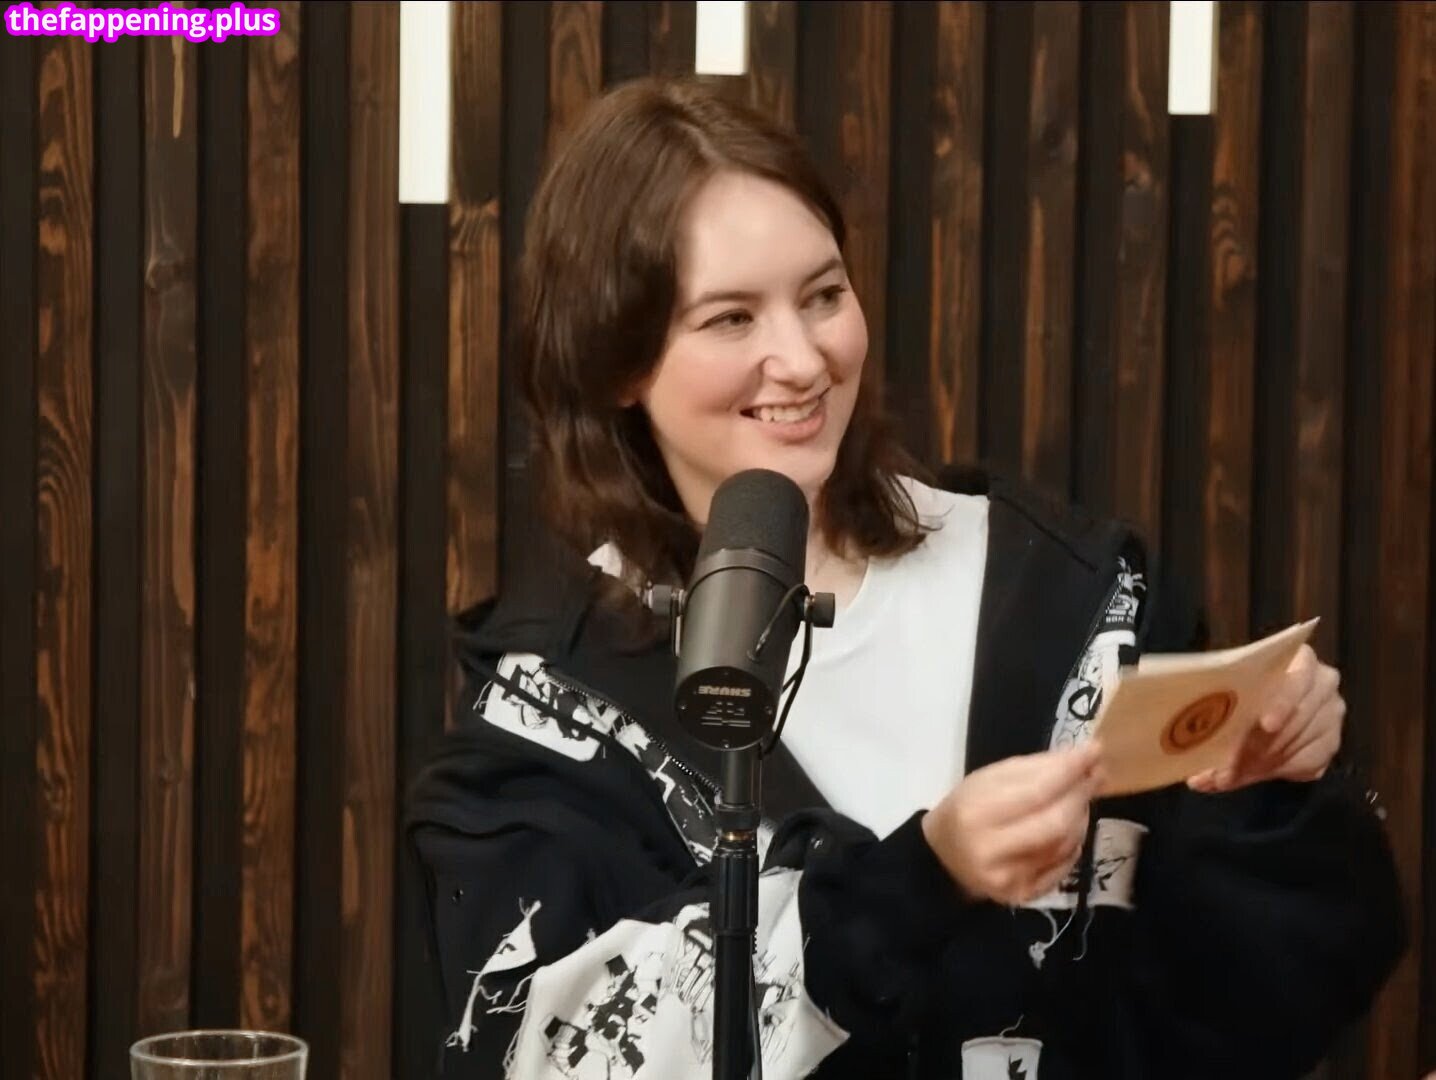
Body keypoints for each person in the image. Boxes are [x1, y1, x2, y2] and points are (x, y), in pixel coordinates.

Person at [405, 77, 1405, 1080]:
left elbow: (1266, 1005)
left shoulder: (1071, 596)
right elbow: (531, 1053)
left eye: (822, 296)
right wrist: (920, 879)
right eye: (730, 319)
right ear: (619, 360)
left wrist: (1276, 794)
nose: (802, 360)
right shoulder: (550, 718)